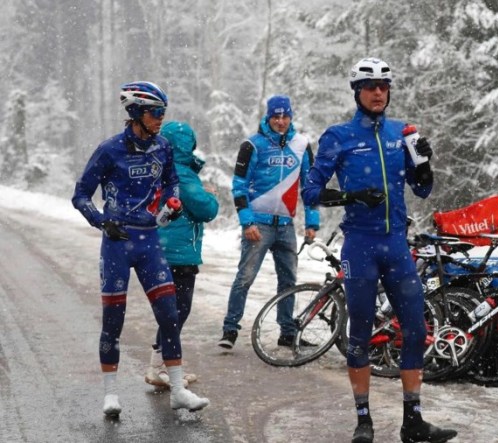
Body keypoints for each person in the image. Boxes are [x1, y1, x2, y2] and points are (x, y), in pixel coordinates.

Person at [301, 57, 457, 443]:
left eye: (383, 87)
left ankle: (413, 422)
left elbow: (422, 190)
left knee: (417, 330)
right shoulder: (339, 136)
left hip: (395, 245)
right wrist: (352, 195)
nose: (377, 92)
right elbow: (310, 190)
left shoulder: (400, 134)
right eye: (370, 87)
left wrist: (424, 166)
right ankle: (363, 421)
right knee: (360, 333)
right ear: (357, 92)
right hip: (360, 245)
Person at [71, 81, 209, 416]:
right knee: (113, 320)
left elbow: (171, 181)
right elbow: (80, 195)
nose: (161, 118)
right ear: (135, 112)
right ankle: (110, 395)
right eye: (155, 112)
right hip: (117, 243)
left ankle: (177, 390)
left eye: (163, 112)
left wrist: (171, 202)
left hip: (149, 242)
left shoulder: (162, 147)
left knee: (170, 316)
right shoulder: (110, 150)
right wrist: (101, 221)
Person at [218, 95, 319, 349]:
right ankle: (230, 330)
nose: (281, 121)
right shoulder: (252, 145)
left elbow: (311, 187)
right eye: (276, 116)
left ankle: (287, 332)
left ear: (291, 117)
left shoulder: (302, 145)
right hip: (258, 226)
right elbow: (239, 186)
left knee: (288, 281)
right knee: (245, 277)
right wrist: (247, 222)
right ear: (268, 116)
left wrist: (312, 222)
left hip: (286, 225)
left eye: (285, 116)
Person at [144, 121, 219, 388]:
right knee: (177, 311)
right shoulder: (182, 174)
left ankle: (162, 365)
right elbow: (204, 209)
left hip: (164, 251)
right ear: (186, 146)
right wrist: (212, 197)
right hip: (178, 255)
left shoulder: (162, 168)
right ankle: (160, 366)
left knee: (171, 311)